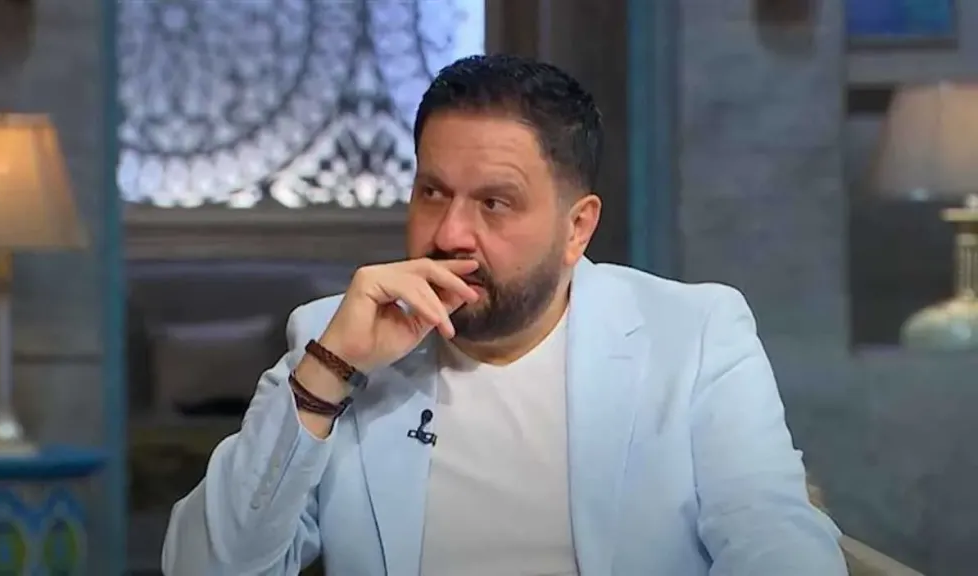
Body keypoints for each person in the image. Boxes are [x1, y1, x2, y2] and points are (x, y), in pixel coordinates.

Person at [161, 54, 847, 576]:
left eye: (494, 203)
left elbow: (775, 542)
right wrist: (327, 373)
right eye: (432, 192)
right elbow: (207, 567)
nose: (449, 233)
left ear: (577, 228)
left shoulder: (694, 336)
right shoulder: (335, 341)